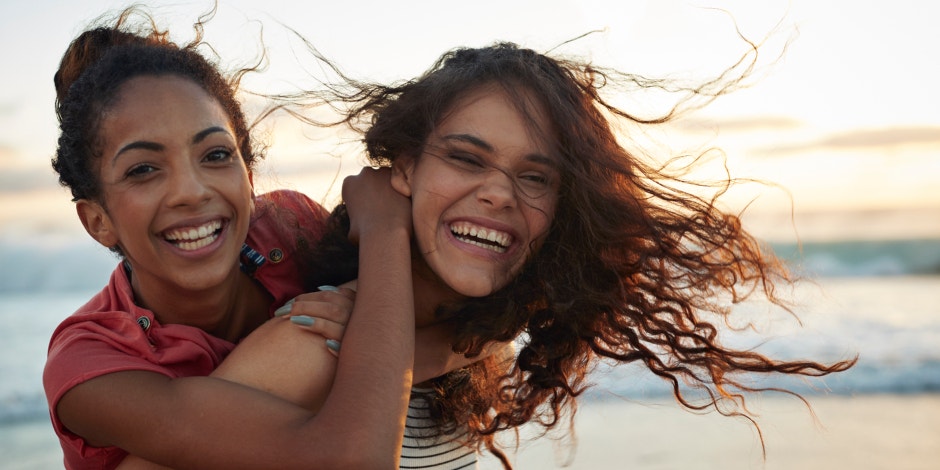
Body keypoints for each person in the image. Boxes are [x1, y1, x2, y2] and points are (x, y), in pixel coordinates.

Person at [277, 39, 858, 468]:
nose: (499, 192)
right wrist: (382, 234)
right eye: (467, 158)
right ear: (404, 166)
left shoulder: (481, 348)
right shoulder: (312, 341)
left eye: (535, 177)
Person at [42, 6, 475, 469]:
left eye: (215, 154)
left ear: (248, 178)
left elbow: (484, 315)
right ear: (96, 220)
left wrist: (378, 329)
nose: (191, 191)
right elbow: (353, 457)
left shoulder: (290, 227)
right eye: (143, 169)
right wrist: (384, 230)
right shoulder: (87, 365)